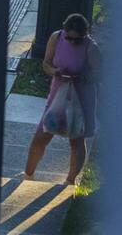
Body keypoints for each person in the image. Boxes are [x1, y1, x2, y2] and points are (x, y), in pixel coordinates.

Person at [24, 13, 101, 186]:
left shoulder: (91, 48)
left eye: (77, 40)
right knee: (42, 134)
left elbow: (99, 73)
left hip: (81, 99)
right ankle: (28, 174)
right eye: (69, 38)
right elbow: (46, 64)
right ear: (64, 31)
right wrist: (55, 71)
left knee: (76, 139)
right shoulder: (56, 38)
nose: (72, 42)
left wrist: (82, 77)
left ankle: (70, 180)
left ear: (85, 35)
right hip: (57, 95)